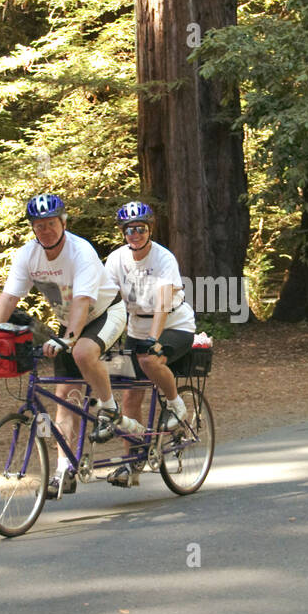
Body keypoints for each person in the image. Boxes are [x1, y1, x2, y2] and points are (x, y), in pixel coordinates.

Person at [0, 193, 132, 495]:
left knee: (82, 351)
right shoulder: (28, 255)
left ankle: (109, 407)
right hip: (69, 321)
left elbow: (82, 301)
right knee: (64, 395)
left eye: (51, 223)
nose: (46, 230)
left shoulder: (81, 251)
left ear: (63, 222)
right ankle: (65, 469)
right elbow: (9, 298)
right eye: (39, 226)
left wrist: (67, 338)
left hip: (104, 312)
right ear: (33, 229)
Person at [102, 201, 196, 487]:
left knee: (148, 360)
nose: (135, 234)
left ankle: (176, 405)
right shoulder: (116, 259)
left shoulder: (163, 258)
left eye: (140, 229)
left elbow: (164, 302)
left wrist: (154, 340)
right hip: (135, 326)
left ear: (149, 230)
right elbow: (108, 301)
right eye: (129, 230)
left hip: (174, 324)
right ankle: (132, 463)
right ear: (123, 232)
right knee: (130, 395)